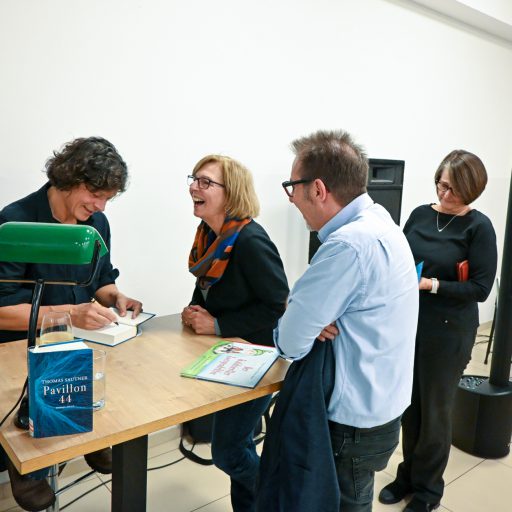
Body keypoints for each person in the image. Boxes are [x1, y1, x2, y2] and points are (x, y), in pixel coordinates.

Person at [257, 129, 419, 512]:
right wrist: (312, 315)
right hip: (383, 406)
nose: (291, 198)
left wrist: (301, 313)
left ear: (317, 189)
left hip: (352, 423)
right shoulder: (381, 221)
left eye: (291, 187)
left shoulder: (347, 246)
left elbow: (290, 342)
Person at [0, 136, 143, 512]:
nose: (100, 206)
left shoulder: (96, 224)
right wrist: (69, 313)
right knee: (41, 390)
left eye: (108, 198)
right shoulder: (16, 221)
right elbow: (1, 310)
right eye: (95, 194)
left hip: (79, 344)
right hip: (20, 347)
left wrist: (116, 297)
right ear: (67, 178)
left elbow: (101, 280)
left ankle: (86, 435)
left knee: (112, 380)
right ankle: (30, 464)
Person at [378, 150, 497, 512]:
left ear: (472, 189)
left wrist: (432, 285)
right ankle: (407, 476)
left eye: (453, 189)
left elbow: (480, 289)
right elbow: (401, 259)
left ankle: (429, 490)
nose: (444, 194)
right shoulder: (420, 215)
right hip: (411, 324)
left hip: (449, 332)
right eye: (440, 185)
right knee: (409, 406)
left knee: (435, 413)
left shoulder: (479, 227)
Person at [181, 154, 288, 512]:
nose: (195, 187)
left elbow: (277, 304)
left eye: (206, 182)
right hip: (227, 354)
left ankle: (282, 499)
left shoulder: (251, 240)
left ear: (232, 193)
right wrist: (195, 309)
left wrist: (217, 325)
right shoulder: (208, 236)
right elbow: (209, 288)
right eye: (194, 179)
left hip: (257, 358)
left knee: (228, 452)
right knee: (237, 446)